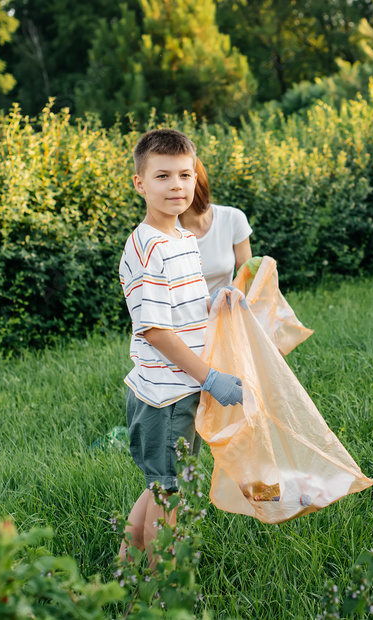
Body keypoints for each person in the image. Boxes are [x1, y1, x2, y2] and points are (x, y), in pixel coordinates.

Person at [117, 128, 244, 561]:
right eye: (162, 176)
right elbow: (155, 331)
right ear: (140, 183)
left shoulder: (183, 239)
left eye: (185, 175)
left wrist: (214, 302)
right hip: (166, 395)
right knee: (169, 494)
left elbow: (178, 309)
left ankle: (128, 565)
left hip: (177, 388)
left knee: (161, 484)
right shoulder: (149, 246)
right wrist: (210, 378)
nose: (176, 185)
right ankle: (159, 586)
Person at [178, 159, 253, 295]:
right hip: (183, 315)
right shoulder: (164, 232)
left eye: (183, 176)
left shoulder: (233, 219)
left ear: (196, 181)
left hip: (225, 312)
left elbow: (246, 280)